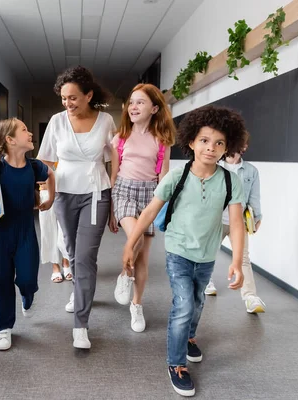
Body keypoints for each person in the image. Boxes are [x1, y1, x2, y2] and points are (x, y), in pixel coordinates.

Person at [122, 105, 246, 397]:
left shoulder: (230, 181)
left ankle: (189, 336)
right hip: (178, 250)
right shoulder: (177, 177)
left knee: (198, 301)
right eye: (204, 140)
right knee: (184, 304)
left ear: (227, 147)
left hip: (207, 255)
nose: (211, 148)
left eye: (219, 143)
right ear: (191, 142)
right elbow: (150, 212)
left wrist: (237, 261)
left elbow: (238, 225)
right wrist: (130, 244)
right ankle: (176, 364)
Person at [37, 65, 115, 349]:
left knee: (84, 257)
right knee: (70, 249)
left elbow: (114, 156)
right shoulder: (57, 121)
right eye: (63, 98)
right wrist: (47, 193)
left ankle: (81, 324)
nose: (67, 103)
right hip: (64, 194)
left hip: (96, 193)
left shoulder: (106, 120)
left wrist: (115, 189)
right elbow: (45, 160)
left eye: (73, 98)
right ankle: (79, 290)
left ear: (88, 95)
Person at [0, 118, 54, 351]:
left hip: (25, 231)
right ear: (10, 140)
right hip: (1, 234)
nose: (30, 133)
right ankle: (3, 327)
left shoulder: (34, 166)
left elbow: (51, 173)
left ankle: (27, 294)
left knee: (28, 278)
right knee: (0, 279)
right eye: (24, 130)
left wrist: (50, 197)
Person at [109, 83, 175, 332]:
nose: (134, 106)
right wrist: (110, 208)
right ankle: (125, 274)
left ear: (155, 108)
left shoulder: (162, 140)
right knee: (134, 238)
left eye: (141, 102)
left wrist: (163, 206)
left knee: (143, 258)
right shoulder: (120, 137)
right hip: (124, 191)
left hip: (150, 195)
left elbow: (164, 175)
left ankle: (136, 304)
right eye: (132, 102)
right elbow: (114, 173)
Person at [206, 131, 266, 313]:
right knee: (208, 252)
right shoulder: (215, 167)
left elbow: (254, 197)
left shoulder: (251, 171)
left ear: (244, 147)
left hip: (238, 221)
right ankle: (206, 282)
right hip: (214, 220)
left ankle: (250, 297)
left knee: (244, 258)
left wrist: (257, 217)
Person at [38, 162, 72, 282]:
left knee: (65, 231)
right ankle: (55, 266)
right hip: (46, 194)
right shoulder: (44, 156)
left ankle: (66, 262)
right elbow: (39, 179)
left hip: (66, 193)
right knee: (48, 230)